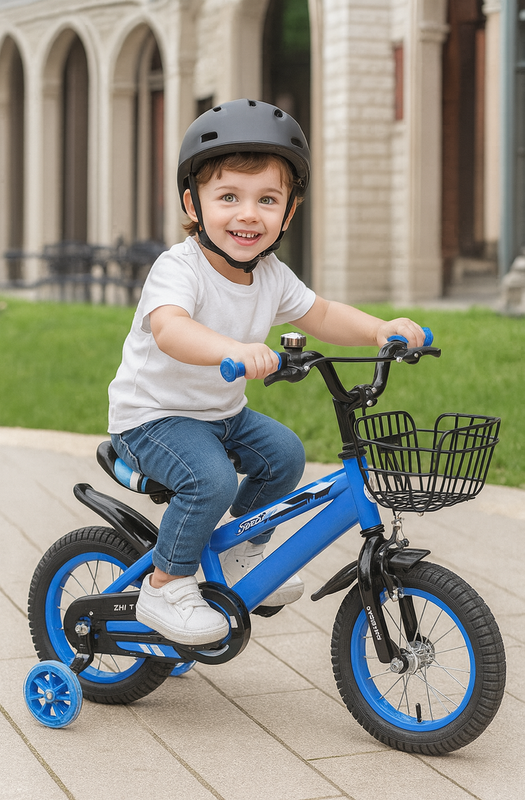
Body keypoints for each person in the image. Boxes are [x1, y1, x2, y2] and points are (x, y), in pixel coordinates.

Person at [108, 98, 425, 647]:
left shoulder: (272, 274)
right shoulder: (177, 268)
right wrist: (231, 348)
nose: (248, 214)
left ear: (289, 211)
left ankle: (237, 553)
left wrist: (379, 330)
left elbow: (320, 313)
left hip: (221, 415)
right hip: (153, 419)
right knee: (210, 480)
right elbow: (170, 329)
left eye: (267, 199)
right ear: (194, 202)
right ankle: (165, 585)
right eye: (228, 197)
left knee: (285, 455)